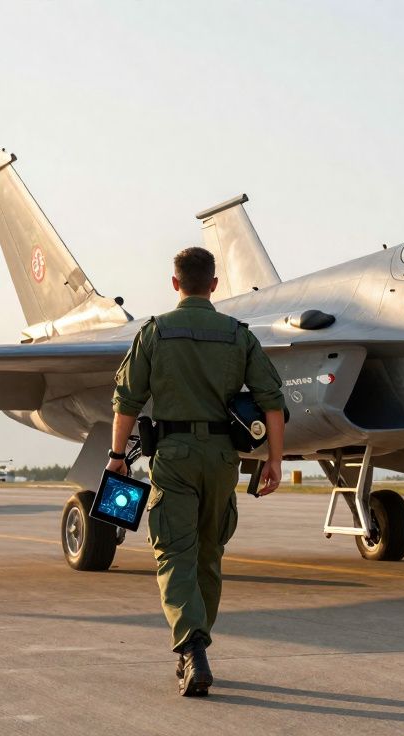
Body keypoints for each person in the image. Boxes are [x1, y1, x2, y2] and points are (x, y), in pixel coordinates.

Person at [108, 246, 285, 697]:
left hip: (174, 455)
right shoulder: (237, 334)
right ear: (213, 284)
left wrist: (116, 456)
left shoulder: (154, 332)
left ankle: (192, 648)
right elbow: (272, 400)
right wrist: (274, 459)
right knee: (210, 553)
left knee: (174, 552)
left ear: (174, 284)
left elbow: (126, 401)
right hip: (224, 459)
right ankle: (199, 644)